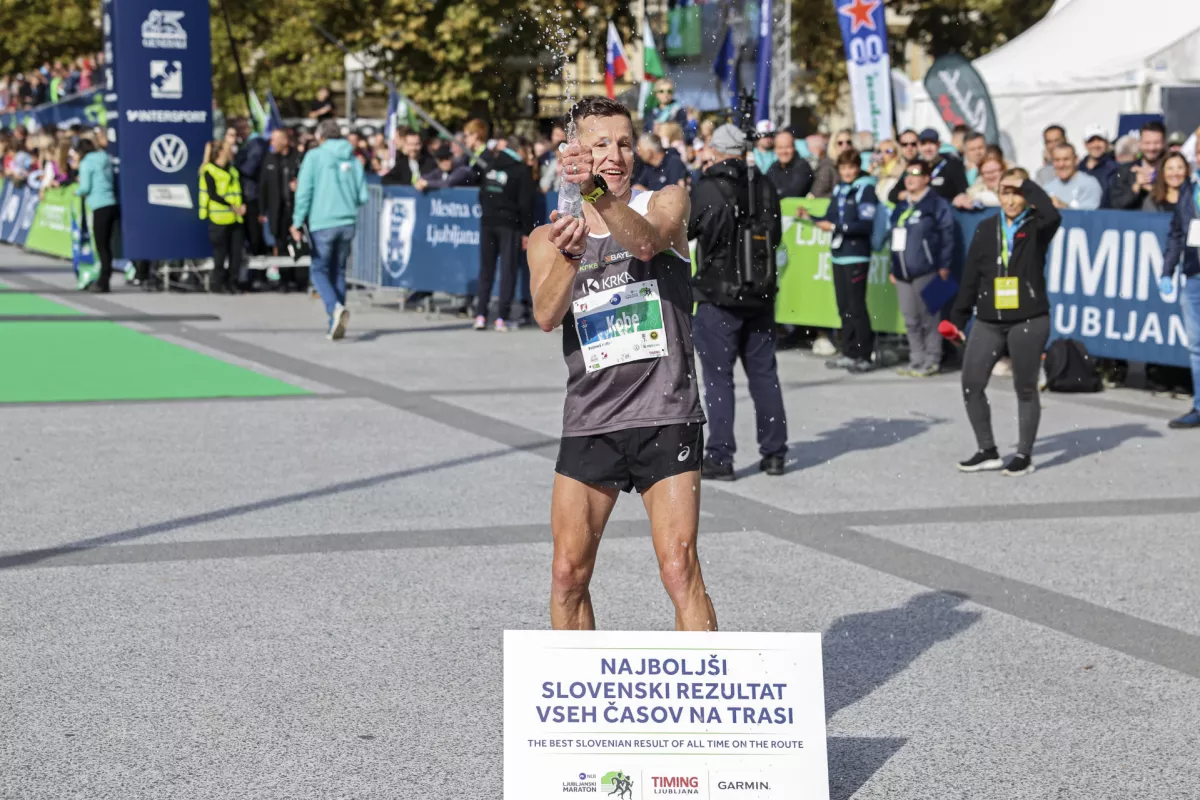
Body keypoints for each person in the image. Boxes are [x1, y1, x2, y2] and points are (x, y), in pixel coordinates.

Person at [527, 96, 714, 631]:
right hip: (592, 419)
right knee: (567, 574)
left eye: (625, 142)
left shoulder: (667, 200)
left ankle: (705, 709)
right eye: (601, 143)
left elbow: (648, 244)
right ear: (576, 152)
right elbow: (545, 314)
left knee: (679, 569)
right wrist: (570, 255)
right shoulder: (551, 235)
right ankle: (581, 703)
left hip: (665, 411)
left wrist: (595, 196)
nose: (616, 154)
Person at [689, 123, 786, 480]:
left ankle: (721, 455)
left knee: (718, 378)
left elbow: (686, 230)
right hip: (759, 294)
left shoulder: (708, 188)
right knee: (764, 375)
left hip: (718, 296)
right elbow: (774, 236)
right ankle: (775, 453)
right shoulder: (764, 185)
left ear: (715, 150)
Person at [951, 173, 1062, 476]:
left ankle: (1024, 455)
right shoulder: (987, 228)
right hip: (988, 320)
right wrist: (957, 318)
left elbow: (1053, 213)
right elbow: (972, 275)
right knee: (971, 384)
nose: (1011, 200)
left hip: (1028, 319)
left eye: (1016, 193)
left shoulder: (1038, 225)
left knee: (1024, 388)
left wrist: (1025, 182)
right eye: (1005, 193)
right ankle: (987, 450)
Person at [800, 148, 879, 373]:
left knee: (857, 307)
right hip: (839, 255)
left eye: (851, 168)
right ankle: (849, 352)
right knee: (843, 306)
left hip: (857, 255)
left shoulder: (866, 189)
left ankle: (864, 354)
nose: (847, 172)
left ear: (857, 167)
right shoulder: (840, 190)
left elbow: (865, 224)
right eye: (843, 168)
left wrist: (835, 227)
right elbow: (830, 217)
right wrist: (810, 217)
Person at [290, 119, 368, 340]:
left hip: (323, 221)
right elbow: (362, 196)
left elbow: (304, 192)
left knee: (318, 270)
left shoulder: (315, 156)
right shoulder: (353, 158)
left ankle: (334, 309)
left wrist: (297, 221)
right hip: (347, 221)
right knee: (339, 271)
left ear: (320, 137)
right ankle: (334, 320)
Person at [888, 159, 955, 377]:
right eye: (907, 174)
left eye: (916, 174)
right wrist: (893, 265)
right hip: (903, 272)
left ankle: (932, 359)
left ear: (926, 178)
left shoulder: (936, 203)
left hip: (928, 269)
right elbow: (894, 239)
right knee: (910, 318)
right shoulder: (901, 207)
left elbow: (947, 234)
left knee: (929, 317)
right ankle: (916, 359)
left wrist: (944, 264)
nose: (909, 178)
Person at [474, 133, 536, 332]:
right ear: (519, 150)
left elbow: (482, 193)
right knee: (507, 271)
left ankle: (481, 315)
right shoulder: (521, 170)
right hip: (509, 225)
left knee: (486, 270)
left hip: (488, 222)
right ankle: (501, 317)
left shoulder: (491, 165)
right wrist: (527, 231)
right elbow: (526, 205)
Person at [1160, 136, 1200, 429]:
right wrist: (1166, 271)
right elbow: (1177, 233)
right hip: (1194, 275)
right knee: (1197, 345)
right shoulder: (1189, 188)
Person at [197, 139, 245, 294]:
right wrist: (232, 206)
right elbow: (213, 194)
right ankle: (218, 284)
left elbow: (237, 191)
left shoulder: (233, 170)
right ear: (220, 152)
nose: (231, 151)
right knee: (220, 254)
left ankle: (233, 282)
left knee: (236, 254)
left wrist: (241, 206)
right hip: (220, 218)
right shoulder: (210, 170)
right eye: (228, 148)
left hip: (236, 218)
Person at [260, 127, 305, 291]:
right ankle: (282, 279)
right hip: (276, 210)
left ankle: (297, 278)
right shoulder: (271, 158)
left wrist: (299, 186)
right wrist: (262, 210)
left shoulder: (298, 158)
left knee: (296, 243)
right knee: (279, 243)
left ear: (285, 140)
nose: (272, 143)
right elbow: (263, 185)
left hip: (294, 209)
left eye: (275, 139)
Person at [72, 139, 118, 293]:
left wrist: (76, 191)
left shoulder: (86, 163)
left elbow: (85, 187)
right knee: (107, 246)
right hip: (112, 202)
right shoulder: (105, 158)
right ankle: (105, 278)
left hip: (99, 205)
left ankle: (104, 282)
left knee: (101, 246)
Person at [891, 128, 968, 204]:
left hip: (943, 213)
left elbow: (963, 191)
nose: (928, 148)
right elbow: (893, 194)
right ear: (919, 146)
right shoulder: (915, 166)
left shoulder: (952, 165)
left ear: (939, 144)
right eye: (924, 144)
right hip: (920, 213)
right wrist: (908, 195)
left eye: (931, 143)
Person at [1110, 121, 1166, 210]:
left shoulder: (1170, 171)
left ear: (1163, 143)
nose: (1151, 148)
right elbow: (1116, 204)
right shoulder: (1126, 171)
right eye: (1147, 143)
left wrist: (1154, 190)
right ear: (1140, 143)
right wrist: (1136, 187)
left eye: (1156, 143)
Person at [234, 125, 269, 260]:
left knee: (254, 234)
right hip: (244, 195)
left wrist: (234, 167)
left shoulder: (256, 144)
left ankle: (259, 271)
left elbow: (249, 169)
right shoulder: (246, 145)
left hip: (251, 195)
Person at [1043, 143, 1102, 210]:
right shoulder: (1048, 188)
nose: (1061, 164)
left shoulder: (1090, 184)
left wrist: (1064, 207)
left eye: (1066, 159)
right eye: (1057, 160)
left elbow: (1089, 216)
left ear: (1076, 160)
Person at [765, 130, 814, 199]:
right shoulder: (774, 167)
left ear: (794, 148)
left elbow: (794, 193)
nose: (784, 151)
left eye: (787, 147)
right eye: (780, 148)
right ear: (775, 150)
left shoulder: (802, 167)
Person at [1079, 125, 1119, 208]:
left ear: (1107, 143)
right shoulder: (1078, 168)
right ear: (1085, 144)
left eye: (1100, 140)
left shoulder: (1115, 169)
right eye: (1091, 141)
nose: (1096, 145)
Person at [809, 133, 837, 198]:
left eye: (849, 142)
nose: (845, 146)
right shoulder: (826, 168)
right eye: (840, 143)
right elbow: (817, 194)